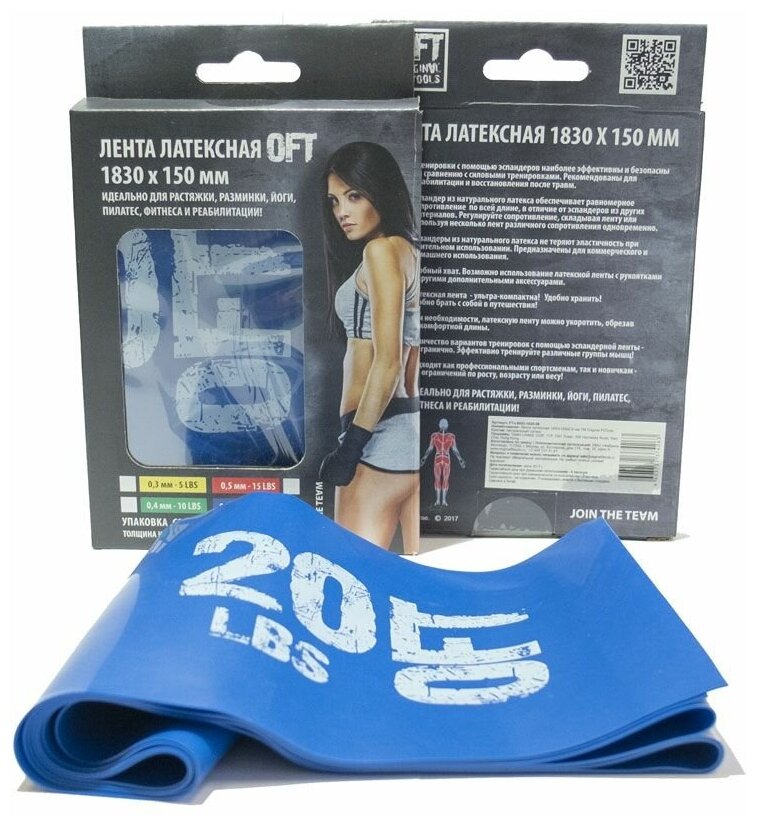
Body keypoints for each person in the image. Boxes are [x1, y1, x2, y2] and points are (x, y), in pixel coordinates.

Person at [319, 142, 420, 553]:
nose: (342, 211)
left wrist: (351, 448)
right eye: (334, 201)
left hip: (373, 440)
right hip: (404, 432)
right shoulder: (408, 251)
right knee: (408, 565)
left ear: (381, 191)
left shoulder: (380, 251)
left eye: (354, 196)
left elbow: (388, 362)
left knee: (348, 568)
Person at [420, 418, 466, 508]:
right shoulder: (448, 436)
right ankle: (441, 500)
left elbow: (430, 449)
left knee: (441, 479)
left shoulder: (437, 435)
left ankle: (440, 500)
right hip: (445, 459)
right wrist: (460, 459)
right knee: (442, 479)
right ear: (446, 425)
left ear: (439, 425)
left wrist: (424, 458)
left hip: (439, 458)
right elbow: (454, 450)